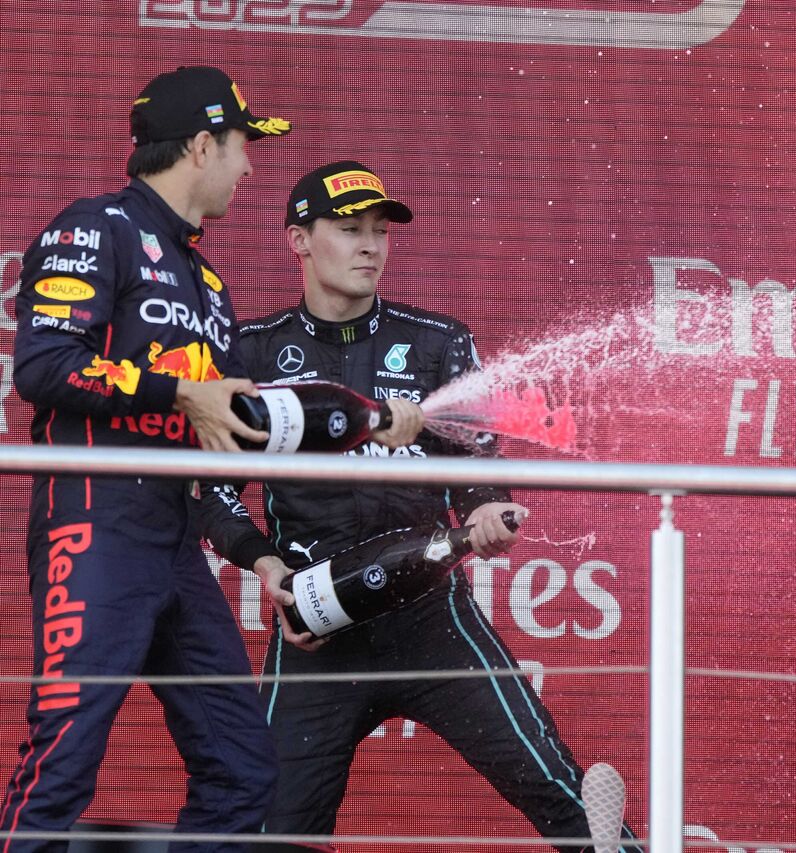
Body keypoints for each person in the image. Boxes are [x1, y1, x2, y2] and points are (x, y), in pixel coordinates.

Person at [198, 161, 639, 853]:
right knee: (270, 835)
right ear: (299, 240)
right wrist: (265, 565)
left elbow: (477, 465)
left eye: (380, 231)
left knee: (557, 788)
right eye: (350, 230)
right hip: (317, 627)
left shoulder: (437, 342)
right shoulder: (251, 350)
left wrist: (488, 512)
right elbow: (213, 493)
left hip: (433, 620)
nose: (370, 246)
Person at [2, 67, 292, 851]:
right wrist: (179, 391)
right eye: (240, 146)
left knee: (242, 768)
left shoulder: (209, 284)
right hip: (94, 518)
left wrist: (355, 425)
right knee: (63, 759)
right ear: (200, 146)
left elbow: (224, 426)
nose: (248, 167)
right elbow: (43, 366)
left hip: (176, 537)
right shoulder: (96, 227)